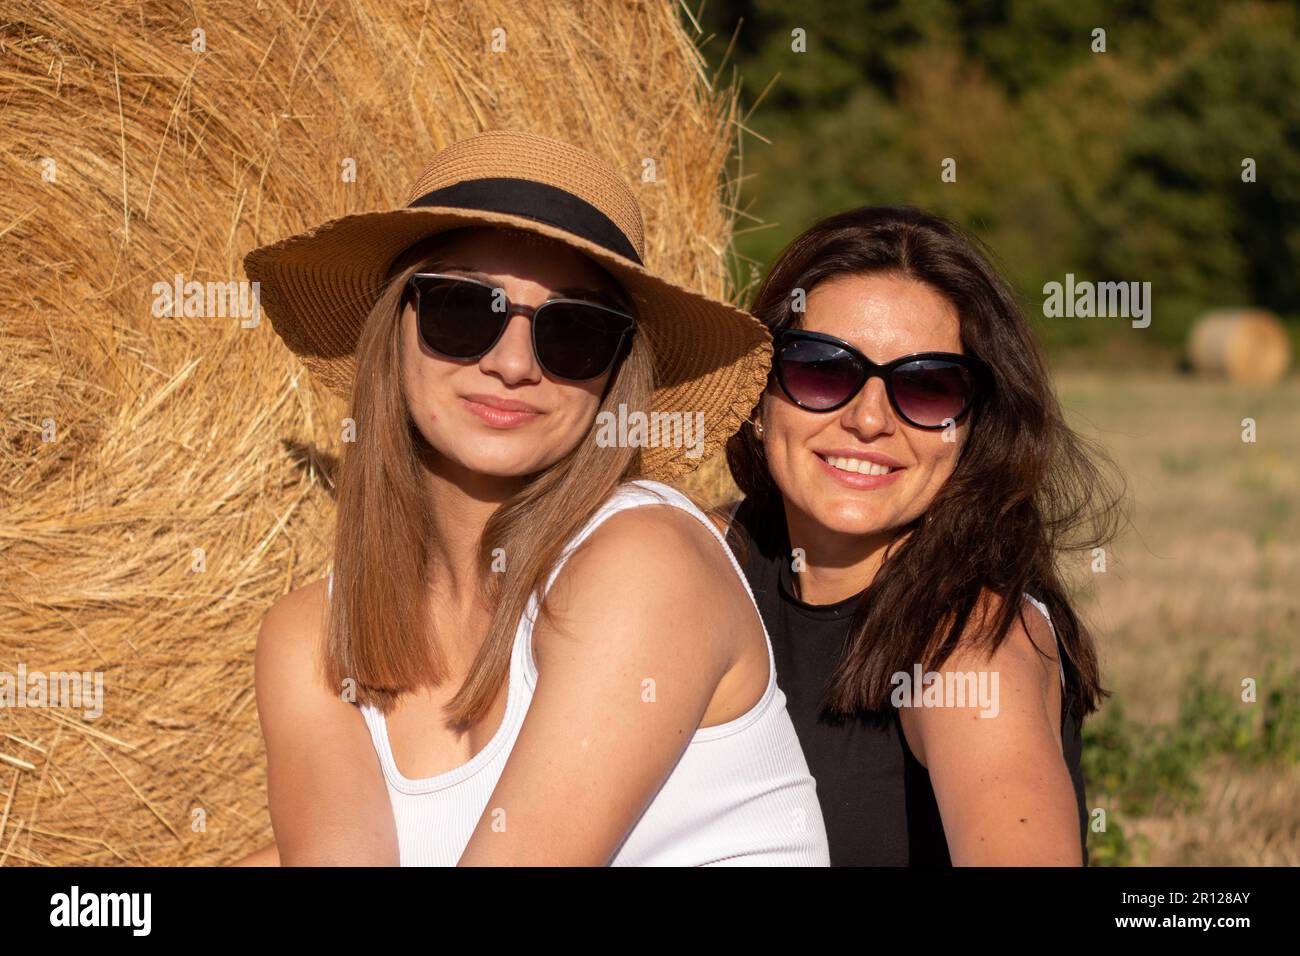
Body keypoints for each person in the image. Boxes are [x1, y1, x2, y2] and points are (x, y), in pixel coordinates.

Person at [235, 130, 829, 866]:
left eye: (574, 331)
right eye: (463, 309)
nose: (513, 363)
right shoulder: (310, 639)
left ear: (616, 373)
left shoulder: (643, 561)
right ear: (393, 329)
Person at [719, 205, 1123, 866]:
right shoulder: (701, 556)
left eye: (927, 387)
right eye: (823, 369)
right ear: (758, 402)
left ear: (969, 434)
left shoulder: (968, 645)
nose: (870, 420)